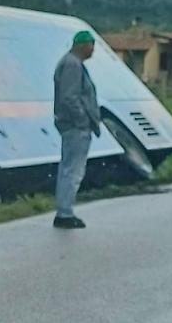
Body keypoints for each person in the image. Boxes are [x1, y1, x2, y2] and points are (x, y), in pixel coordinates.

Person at [52, 29, 101, 229]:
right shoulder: (72, 65)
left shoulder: (71, 63)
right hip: (75, 127)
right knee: (73, 170)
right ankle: (65, 213)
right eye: (92, 45)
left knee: (67, 168)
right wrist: (82, 120)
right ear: (83, 45)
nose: (93, 50)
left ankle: (64, 210)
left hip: (70, 125)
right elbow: (69, 97)